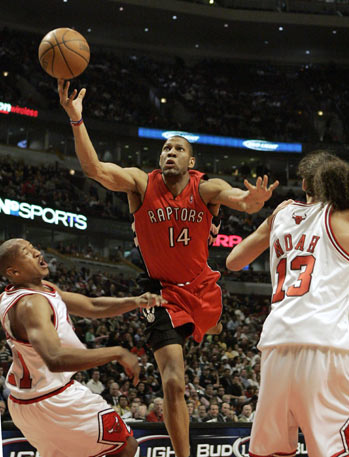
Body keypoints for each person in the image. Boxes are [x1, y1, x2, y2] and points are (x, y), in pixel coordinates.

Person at [58, 79, 278, 457]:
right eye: (165, 148)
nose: (170, 153)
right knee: (174, 382)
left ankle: (209, 323)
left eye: (178, 149)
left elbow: (240, 200)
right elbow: (93, 168)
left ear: (191, 161)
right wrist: (77, 121)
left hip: (202, 287)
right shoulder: (141, 184)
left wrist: (253, 200)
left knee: (212, 324)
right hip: (159, 293)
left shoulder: (205, 188)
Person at [226, 151, 349, 457]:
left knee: (272, 451)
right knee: (333, 449)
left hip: (276, 344)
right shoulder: (342, 217)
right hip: (326, 344)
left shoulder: (280, 214)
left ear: (305, 183)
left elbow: (233, 260)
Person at [0, 238, 165, 457]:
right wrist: (117, 352)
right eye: (27, 253)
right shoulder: (31, 304)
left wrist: (136, 301)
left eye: (34, 247)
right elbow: (55, 358)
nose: (38, 252)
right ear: (14, 272)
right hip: (55, 399)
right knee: (126, 446)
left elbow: (91, 305)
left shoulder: (29, 292)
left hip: (25, 402)